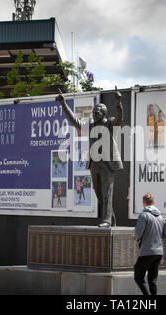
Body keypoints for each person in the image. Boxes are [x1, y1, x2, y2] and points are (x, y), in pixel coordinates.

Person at [56, 88, 123, 228]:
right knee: (99, 195)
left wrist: (118, 103)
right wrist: (63, 104)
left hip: (107, 163)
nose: (94, 113)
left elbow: (119, 118)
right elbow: (75, 121)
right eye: (93, 112)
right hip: (94, 164)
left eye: (97, 112)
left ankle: (107, 220)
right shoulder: (90, 125)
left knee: (107, 193)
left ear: (103, 113)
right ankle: (112, 221)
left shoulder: (109, 123)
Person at [134, 193, 166, 296]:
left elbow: (138, 234)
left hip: (146, 251)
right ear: (154, 202)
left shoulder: (144, 215)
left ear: (144, 203)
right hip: (158, 253)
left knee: (138, 277)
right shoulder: (161, 218)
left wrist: (136, 238)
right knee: (152, 280)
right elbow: (165, 235)